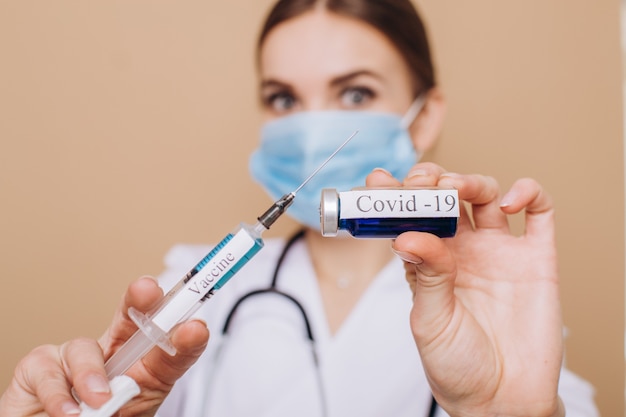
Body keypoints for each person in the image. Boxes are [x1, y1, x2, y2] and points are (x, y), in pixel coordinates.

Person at [0, 0, 600, 416]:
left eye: (355, 92)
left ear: (428, 114)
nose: (313, 127)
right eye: (284, 98)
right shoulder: (186, 291)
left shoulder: (489, 306)